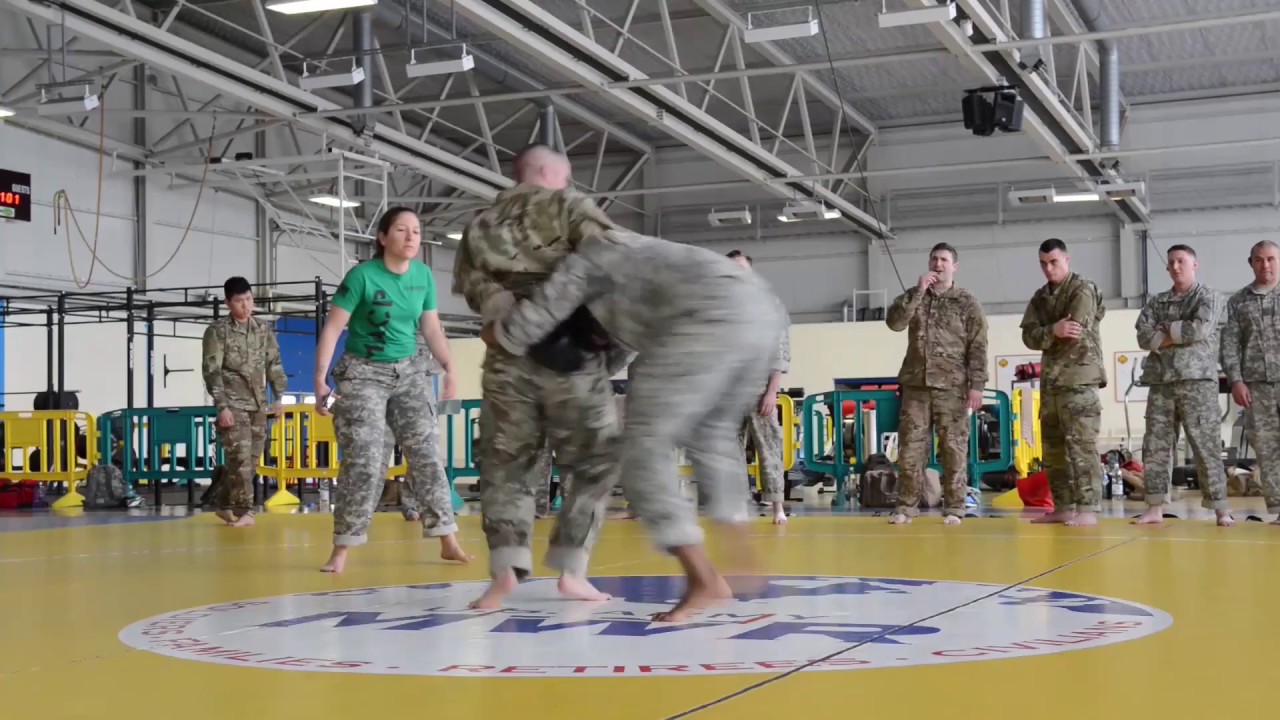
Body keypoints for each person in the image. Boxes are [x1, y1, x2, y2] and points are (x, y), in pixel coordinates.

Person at [481, 229, 786, 622]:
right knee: (712, 433)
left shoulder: (585, 259)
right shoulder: (634, 266)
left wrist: (497, 333)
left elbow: (536, 317)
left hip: (711, 315)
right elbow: (610, 355)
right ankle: (736, 541)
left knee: (643, 447)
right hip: (762, 312)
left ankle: (702, 578)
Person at [453, 144, 628, 609]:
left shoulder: (479, 224)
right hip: (569, 351)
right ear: (552, 174)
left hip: (506, 354)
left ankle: (504, 572)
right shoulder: (567, 205)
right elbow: (611, 260)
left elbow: (474, 289)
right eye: (565, 177)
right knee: (596, 459)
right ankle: (572, 568)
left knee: (506, 464)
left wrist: (507, 316)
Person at [313, 207, 472, 573]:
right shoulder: (362, 277)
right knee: (366, 461)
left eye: (416, 230)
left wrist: (450, 368)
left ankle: (448, 539)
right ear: (383, 237)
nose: (411, 236)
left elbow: (431, 328)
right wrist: (320, 379)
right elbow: (334, 328)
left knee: (428, 455)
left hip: (410, 371)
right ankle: (342, 549)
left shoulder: (423, 276)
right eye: (402, 230)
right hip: (363, 373)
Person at [884, 242, 988, 525]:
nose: (938, 264)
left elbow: (978, 346)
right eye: (934, 259)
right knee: (911, 450)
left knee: (954, 449)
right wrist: (917, 291)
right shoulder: (916, 295)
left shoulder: (967, 302)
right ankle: (906, 507)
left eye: (944, 260)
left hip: (952, 388)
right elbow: (894, 323)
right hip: (916, 387)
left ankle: (954, 508)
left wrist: (976, 385)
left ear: (954, 266)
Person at [1134, 244, 1233, 526]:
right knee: (1155, 446)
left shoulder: (1209, 295)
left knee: (1206, 445)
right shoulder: (1157, 301)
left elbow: (1200, 328)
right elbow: (1142, 335)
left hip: (1197, 382)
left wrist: (1165, 332)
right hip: (1161, 382)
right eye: (1171, 263)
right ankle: (1154, 508)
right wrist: (1176, 333)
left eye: (1181, 261)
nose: (1176, 266)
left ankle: (1221, 509)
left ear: (1194, 264)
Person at [1019, 238, 1108, 526]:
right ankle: (1063, 507)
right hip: (1052, 383)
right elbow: (1028, 335)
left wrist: (1050, 331)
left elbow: (1074, 328)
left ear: (1067, 260)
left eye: (1054, 262)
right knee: (1053, 449)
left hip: (1080, 381)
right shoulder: (1040, 297)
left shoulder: (1082, 288)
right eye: (1043, 263)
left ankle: (1088, 509)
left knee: (1081, 447)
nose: (1048, 268)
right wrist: (1052, 330)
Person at [201, 276, 287, 528]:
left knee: (251, 459)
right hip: (233, 403)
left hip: (258, 404)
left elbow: (274, 364)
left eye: (248, 299)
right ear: (228, 302)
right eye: (239, 301)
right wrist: (222, 406)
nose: (245, 306)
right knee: (239, 459)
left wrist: (279, 397)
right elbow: (211, 370)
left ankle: (223, 502)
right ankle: (246, 511)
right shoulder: (218, 331)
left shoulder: (263, 330)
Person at [726, 250, 790, 524]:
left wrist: (772, 391)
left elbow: (780, 351)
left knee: (770, 448)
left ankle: (778, 507)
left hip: (759, 388)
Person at [1221, 240, 1280, 524]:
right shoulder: (1239, 302)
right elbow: (1229, 344)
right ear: (1251, 263)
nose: (1265, 265)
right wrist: (1236, 381)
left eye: (1270, 259)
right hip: (1257, 387)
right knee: (1267, 449)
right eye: (1259, 260)